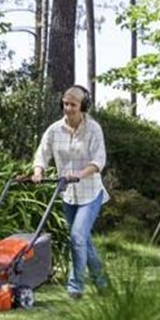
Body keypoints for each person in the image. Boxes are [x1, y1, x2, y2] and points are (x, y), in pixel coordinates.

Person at [32, 85, 109, 299]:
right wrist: (38, 171)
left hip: (90, 193)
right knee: (83, 241)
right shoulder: (54, 130)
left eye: (73, 104)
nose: (68, 108)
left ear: (83, 106)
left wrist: (80, 174)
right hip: (67, 194)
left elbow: (99, 160)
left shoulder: (93, 129)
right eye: (65, 104)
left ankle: (75, 289)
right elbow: (42, 154)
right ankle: (103, 284)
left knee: (77, 237)